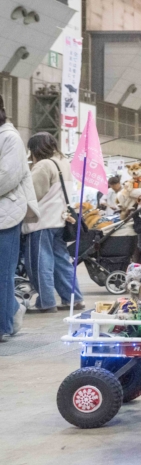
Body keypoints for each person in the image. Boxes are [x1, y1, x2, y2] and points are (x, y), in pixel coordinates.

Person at [22, 133, 84, 314]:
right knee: (61, 262)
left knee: (40, 264)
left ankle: (46, 302)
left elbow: (31, 194)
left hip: (41, 222)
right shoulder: (64, 163)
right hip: (59, 221)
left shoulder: (43, 165)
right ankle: (74, 299)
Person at [0, 97, 34, 341]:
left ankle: (3, 325)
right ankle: (13, 310)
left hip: (6, 216)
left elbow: (6, 177)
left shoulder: (10, 137)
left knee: (3, 274)